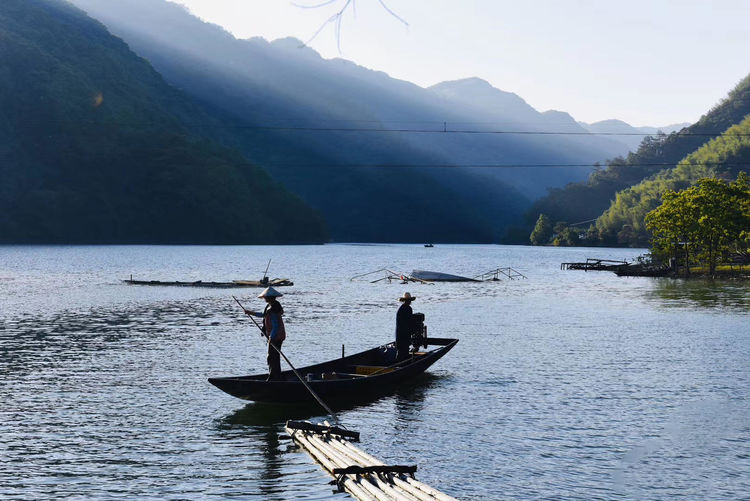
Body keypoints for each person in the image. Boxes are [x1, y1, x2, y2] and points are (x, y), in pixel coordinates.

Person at [245, 286, 287, 380]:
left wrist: (271, 337)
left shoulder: (274, 308)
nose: (264, 298)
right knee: (273, 357)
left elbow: (275, 325)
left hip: (276, 336)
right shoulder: (270, 307)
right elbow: (264, 316)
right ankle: (275, 375)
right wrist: (250, 313)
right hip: (275, 336)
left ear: (269, 298)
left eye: (265, 297)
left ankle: (274, 376)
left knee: (272, 357)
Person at [395, 292, 416, 361]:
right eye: (408, 300)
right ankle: (399, 366)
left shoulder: (402, 308)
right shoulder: (408, 309)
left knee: (401, 352)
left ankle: (399, 364)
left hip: (400, 334)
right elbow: (409, 322)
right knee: (403, 352)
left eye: (409, 300)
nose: (409, 302)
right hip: (403, 334)